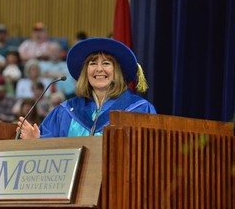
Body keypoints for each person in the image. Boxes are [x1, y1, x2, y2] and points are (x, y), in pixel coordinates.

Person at [17, 37, 156, 138]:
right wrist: (35, 141)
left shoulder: (139, 110)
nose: (99, 69)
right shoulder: (66, 112)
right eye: (92, 64)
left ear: (117, 72)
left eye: (106, 63)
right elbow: (51, 155)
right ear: (85, 72)